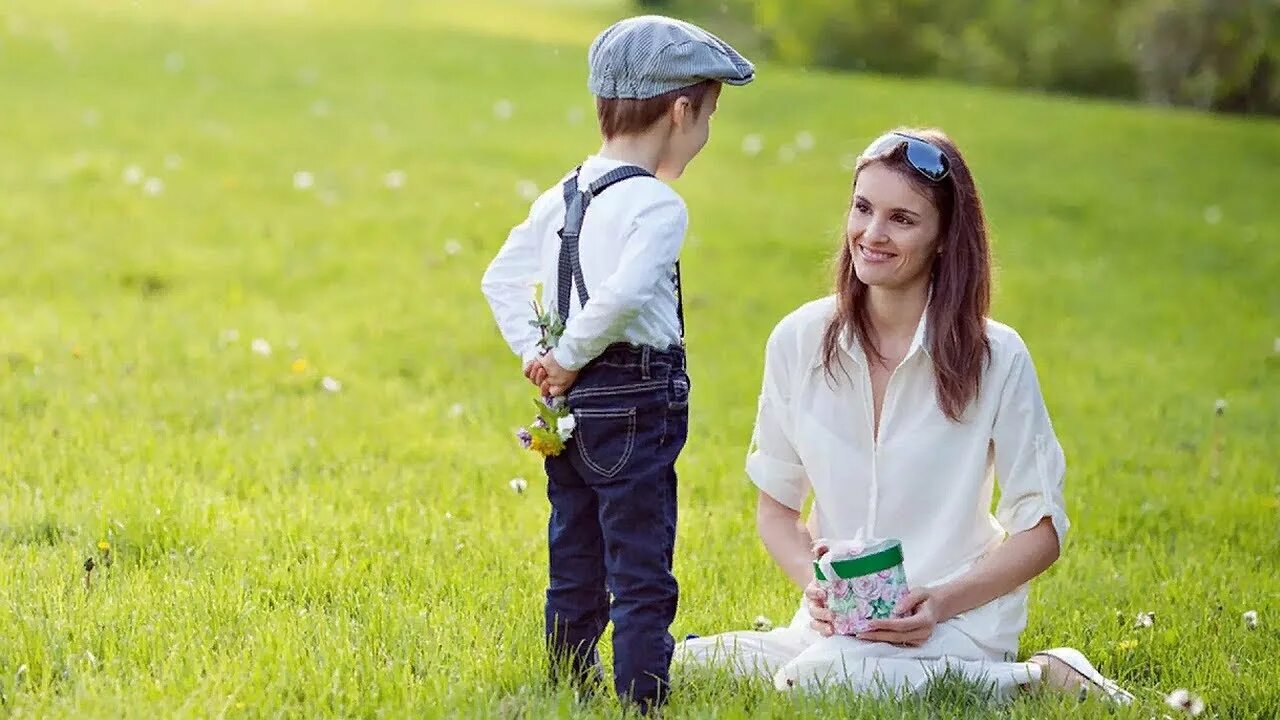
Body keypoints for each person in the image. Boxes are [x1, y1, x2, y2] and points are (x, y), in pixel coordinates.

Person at [673, 128, 1134, 705]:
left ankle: (1041, 679)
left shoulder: (998, 356)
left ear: (944, 238)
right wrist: (811, 585)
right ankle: (841, 665)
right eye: (863, 208)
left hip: (955, 623)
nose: (873, 234)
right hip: (837, 627)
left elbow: (1041, 531)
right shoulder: (797, 340)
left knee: (812, 681)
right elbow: (777, 510)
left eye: (902, 219)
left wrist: (938, 602)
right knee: (680, 664)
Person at [480, 15, 755, 713]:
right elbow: (628, 292)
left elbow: (498, 280)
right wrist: (566, 357)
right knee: (638, 563)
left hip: (567, 412)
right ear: (682, 110)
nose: (705, 134)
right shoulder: (658, 204)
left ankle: (569, 683)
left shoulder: (562, 193)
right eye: (709, 116)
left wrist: (538, 358)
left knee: (573, 550)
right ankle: (643, 697)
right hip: (634, 400)